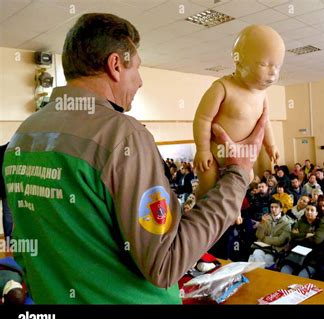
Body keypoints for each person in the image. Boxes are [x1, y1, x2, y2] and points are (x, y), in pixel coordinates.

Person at [3, 13, 267, 304]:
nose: (139, 82)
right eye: (137, 69)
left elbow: (26, 249)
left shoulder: (23, 135)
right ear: (115, 65)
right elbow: (165, 264)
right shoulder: (121, 136)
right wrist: (239, 173)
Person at [193, 24, 285, 199]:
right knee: (208, 180)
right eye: (264, 64)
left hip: (243, 158)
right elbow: (202, 119)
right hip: (215, 153)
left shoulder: (262, 94)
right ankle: (200, 206)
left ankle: (235, 210)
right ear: (238, 60)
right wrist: (202, 149)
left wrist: (270, 145)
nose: (273, 73)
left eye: (277, 66)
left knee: (247, 179)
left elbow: (264, 122)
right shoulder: (223, 87)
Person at [248, 200, 292, 268]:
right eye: (271, 207)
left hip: (274, 251)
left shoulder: (287, 222)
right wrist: (262, 223)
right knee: (257, 253)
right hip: (262, 248)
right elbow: (258, 235)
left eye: (276, 207)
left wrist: (264, 238)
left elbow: (280, 241)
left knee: (254, 259)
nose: (273, 209)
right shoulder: (266, 219)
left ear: (281, 209)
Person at [0, 142, 14, 244]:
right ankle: (9, 241)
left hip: (5, 187)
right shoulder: (11, 153)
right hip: (6, 188)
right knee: (8, 215)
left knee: (8, 215)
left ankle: (9, 240)